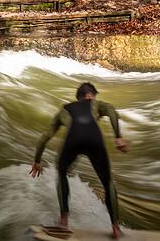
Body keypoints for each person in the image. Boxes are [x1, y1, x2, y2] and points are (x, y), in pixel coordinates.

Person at [30, 83, 128, 240]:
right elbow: (111, 110)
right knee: (107, 182)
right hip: (94, 140)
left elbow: (45, 137)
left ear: (79, 97)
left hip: (73, 141)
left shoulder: (64, 109)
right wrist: (118, 136)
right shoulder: (96, 104)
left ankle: (63, 222)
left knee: (61, 172)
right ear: (91, 96)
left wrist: (37, 160)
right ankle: (116, 229)